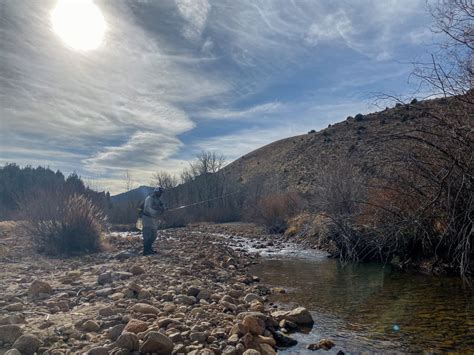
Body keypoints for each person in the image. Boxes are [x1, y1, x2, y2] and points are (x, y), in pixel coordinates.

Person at [141, 186, 165, 255]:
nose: (160, 194)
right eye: (160, 192)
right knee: (147, 235)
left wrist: (164, 209)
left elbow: (162, 206)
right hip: (147, 219)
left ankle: (150, 249)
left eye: (161, 193)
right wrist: (157, 212)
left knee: (154, 235)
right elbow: (147, 209)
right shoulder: (149, 199)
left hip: (154, 220)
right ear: (156, 192)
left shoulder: (159, 200)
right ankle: (145, 251)